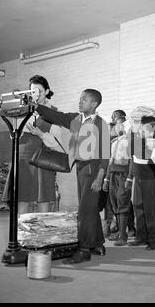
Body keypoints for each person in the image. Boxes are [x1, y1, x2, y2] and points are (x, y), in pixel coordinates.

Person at [34, 89, 110, 264]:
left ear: (94, 104)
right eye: (80, 98)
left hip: (93, 169)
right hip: (81, 168)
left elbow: (106, 153)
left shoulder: (100, 124)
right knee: (89, 207)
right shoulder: (75, 119)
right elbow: (55, 116)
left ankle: (84, 250)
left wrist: (100, 177)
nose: (80, 101)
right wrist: (36, 106)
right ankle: (98, 243)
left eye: (85, 99)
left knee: (84, 210)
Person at [3, 75, 62, 214]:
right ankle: (23, 234)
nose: (35, 95)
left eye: (39, 91)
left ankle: (40, 235)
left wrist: (41, 134)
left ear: (47, 91)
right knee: (23, 199)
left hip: (43, 160)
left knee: (44, 200)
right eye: (32, 92)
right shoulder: (22, 110)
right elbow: (14, 136)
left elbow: (57, 144)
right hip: (23, 160)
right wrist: (14, 128)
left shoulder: (53, 112)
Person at [126, 115, 155, 250]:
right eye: (149, 128)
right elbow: (131, 154)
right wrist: (130, 176)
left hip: (149, 176)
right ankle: (141, 237)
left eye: (154, 129)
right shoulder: (136, 136)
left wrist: (148, 140)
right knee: (137, 206)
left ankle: (153, 239)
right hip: (137, 175)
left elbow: (154, 156)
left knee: (150, 208)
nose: (152, 131)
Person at [103, 116, 131, 246]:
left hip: (123, 175)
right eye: (117, 125)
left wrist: (130, 177)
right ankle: (120, 232)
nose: (119, 127)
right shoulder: (114, 142)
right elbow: (110, 162)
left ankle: (123, 236)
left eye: (121, 124)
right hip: (113, 175)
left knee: (122, 202)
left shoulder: (129, 141)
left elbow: (131, 161)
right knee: (115, 204)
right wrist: (107, 178)